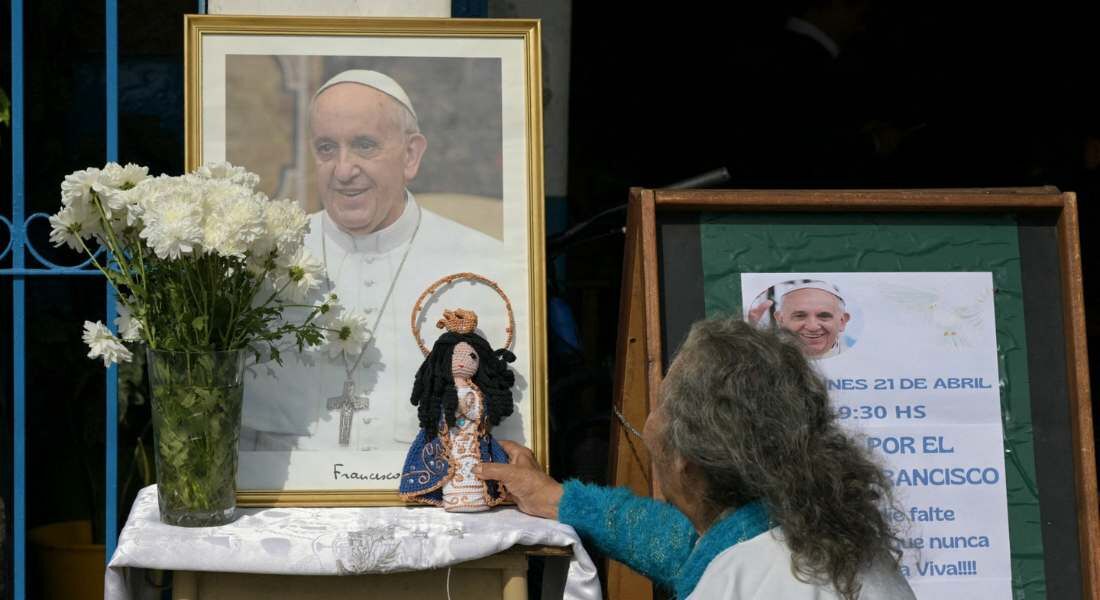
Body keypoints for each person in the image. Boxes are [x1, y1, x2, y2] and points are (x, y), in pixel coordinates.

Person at [477, 318, 914, 599]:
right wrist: (558, 500)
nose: (648, 420)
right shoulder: (814, 530)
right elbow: (682, 546)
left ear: (686, 457)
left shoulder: (738, 582)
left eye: (663, 401)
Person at [241, 69, 522, 455]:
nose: (343, 170)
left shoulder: (484, 263)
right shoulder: (266, 261)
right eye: (326, 148)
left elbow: (508, 431)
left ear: (410, 155)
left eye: (364, 146)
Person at [749, 279, 851, 359]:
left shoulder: (860, 360)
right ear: (780, 320)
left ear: (842, 322)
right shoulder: (767, 356)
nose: (812, 327)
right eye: (800, 316)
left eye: (824, 316)